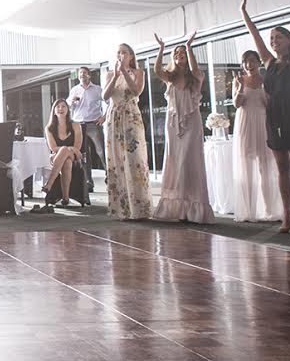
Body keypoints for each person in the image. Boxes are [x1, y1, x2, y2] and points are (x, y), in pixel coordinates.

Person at [242, 0, 290, 234]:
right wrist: (244, 13)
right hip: (273, 116)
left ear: (288, 41)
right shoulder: (268, 63)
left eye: (277, 37)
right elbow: (255, 37)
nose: (273, 41)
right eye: (271, 38)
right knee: (282, 167)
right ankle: (287, 213)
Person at [152, 33, 213, 224]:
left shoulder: (196, 76)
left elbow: (195, 69)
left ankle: (194, 207)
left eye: (183, 53)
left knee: (189, 160)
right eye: (177, 53)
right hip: (173, 122)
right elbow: (156, 70)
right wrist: (161, 49)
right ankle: (177, 208)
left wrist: (189, 47)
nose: (180, 55)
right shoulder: (170, 77)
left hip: (192, 122)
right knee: (175, 160)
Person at [232, 50, 283, 223]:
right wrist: (239, 87)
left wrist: (267, 92)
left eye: (253, 61)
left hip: (263, 122)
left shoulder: (265, 80)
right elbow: (237, 104)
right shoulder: (239, 80)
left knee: (266, 166)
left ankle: (270, 209)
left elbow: (270, 105)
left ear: (259, 62)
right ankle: (249, 210)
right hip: (245, 122)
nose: (249, 65)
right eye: (246, 61)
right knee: (246, 166)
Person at [103, 44, 152, 220]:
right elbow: (105, 96)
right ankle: (121, 208)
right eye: (118, 52)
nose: (120, 55)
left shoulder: (139, 73)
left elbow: (136, 90)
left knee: (134, 158)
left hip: (131, 117)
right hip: (114, 117)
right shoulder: (110, 74)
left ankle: (140, 208)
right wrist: (116, 74)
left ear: (131, 56)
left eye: (124, 52)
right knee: (116, 159)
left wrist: (124, 72)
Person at [38, 99, 84, 209]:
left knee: (65, 153)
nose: (60, 109)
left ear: (68, 110)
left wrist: (67, 149)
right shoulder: (49, 128)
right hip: (55, 156)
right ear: (54, 111)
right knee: (66, 162)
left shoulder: (76, 125)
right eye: (57, 107)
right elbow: (53, 148)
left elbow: (77, 147)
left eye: (64, 106)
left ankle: (49, 184)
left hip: (74, 156)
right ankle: (65, 198)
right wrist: (68, 149)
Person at [68, 67, 105, 194]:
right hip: (79, 125)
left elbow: (110, 102)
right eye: (80, 73)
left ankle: (110, 178)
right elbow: (67, 106)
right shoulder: (74, 90)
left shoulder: (97, 89)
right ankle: (88, 183)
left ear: (89, 75)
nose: (82, 75)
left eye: (84, 73)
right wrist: (71, 102)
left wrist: (104, 117)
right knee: (84, 155)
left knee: (102, 152)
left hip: (94, 124)